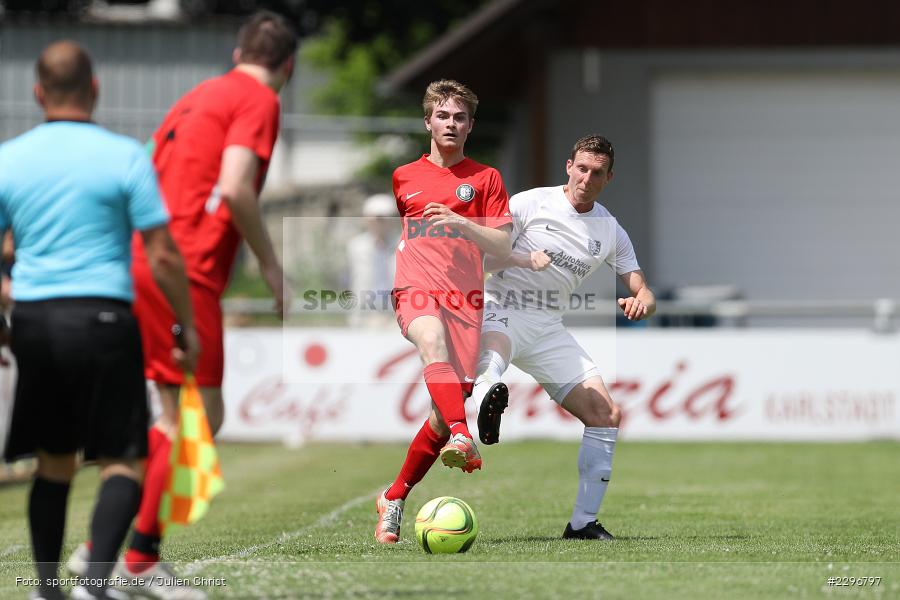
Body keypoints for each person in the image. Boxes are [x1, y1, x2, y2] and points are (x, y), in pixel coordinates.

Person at [64, 10, 297, 598]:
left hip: (147, 259)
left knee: (183, 414)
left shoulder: (200, 94)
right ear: (287, 67)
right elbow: (237, 184)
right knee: (190, 417)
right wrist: (270, 264)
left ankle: (106, 546)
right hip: (183, 270)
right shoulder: (258, 100)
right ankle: (134, 556)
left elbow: (144, 166)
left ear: (235, 50)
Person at [0, 40, 197, 600]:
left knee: (53, 462)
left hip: (35, 322)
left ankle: (45, 589)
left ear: (38, 92)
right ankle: (94, 583)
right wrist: (186, 326)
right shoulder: (126, 154)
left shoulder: (8, 158)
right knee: (124, 460)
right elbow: (161, 253)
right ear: (96, 88)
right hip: (106, 319)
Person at [471, 134, 656, 540]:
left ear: (610, 178)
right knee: (493, 360)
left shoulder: (610, 230)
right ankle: (484, 398)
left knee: (605, 414)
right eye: (582, 168)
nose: (587, 178)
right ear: (568, 166)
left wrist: (641, 301)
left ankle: (582, 524)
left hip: (548, 325)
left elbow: (641, 287)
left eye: (598, 173)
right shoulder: (529, 202)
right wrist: (521, 259)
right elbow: (484, 253)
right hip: (501, 302)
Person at [375, 79, 512, 544]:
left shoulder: (487, 178)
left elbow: (502, 242)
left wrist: (460, 223)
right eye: (443, 116)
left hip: (466, 300)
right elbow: (409, 235)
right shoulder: (403, 176)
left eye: (459, 118)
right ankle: (462, 432)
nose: (450, 124)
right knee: (429, 341)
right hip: (415, 286)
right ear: (428, 121)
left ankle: (393, 497)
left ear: (470, 126)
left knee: (439, 410)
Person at [345, 194, 399, 327]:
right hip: (365, 317)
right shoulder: (355, 246)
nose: (379, 223)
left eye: (383, 218)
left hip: (397, 317)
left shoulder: (404, 245)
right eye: (376, 218)